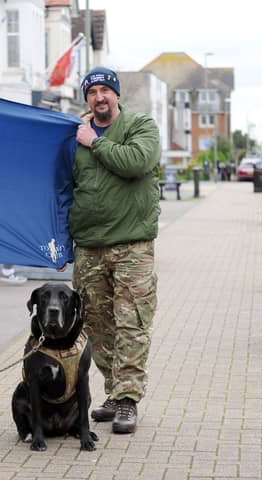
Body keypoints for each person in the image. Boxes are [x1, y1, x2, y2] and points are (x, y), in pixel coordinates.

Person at [69, 67, 161, 434]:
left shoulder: (141, 127)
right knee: (97, 327)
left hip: (132, 245)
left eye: (106, 90)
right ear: (86, 99)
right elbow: (62, 185)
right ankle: (113, 392)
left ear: (117, 95)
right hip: (89, 247)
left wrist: (95, 142)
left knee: (132, 324)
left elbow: (137, 162)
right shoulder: (72, 134)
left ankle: (128, 400)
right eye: (93, 92)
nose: (100, 97)